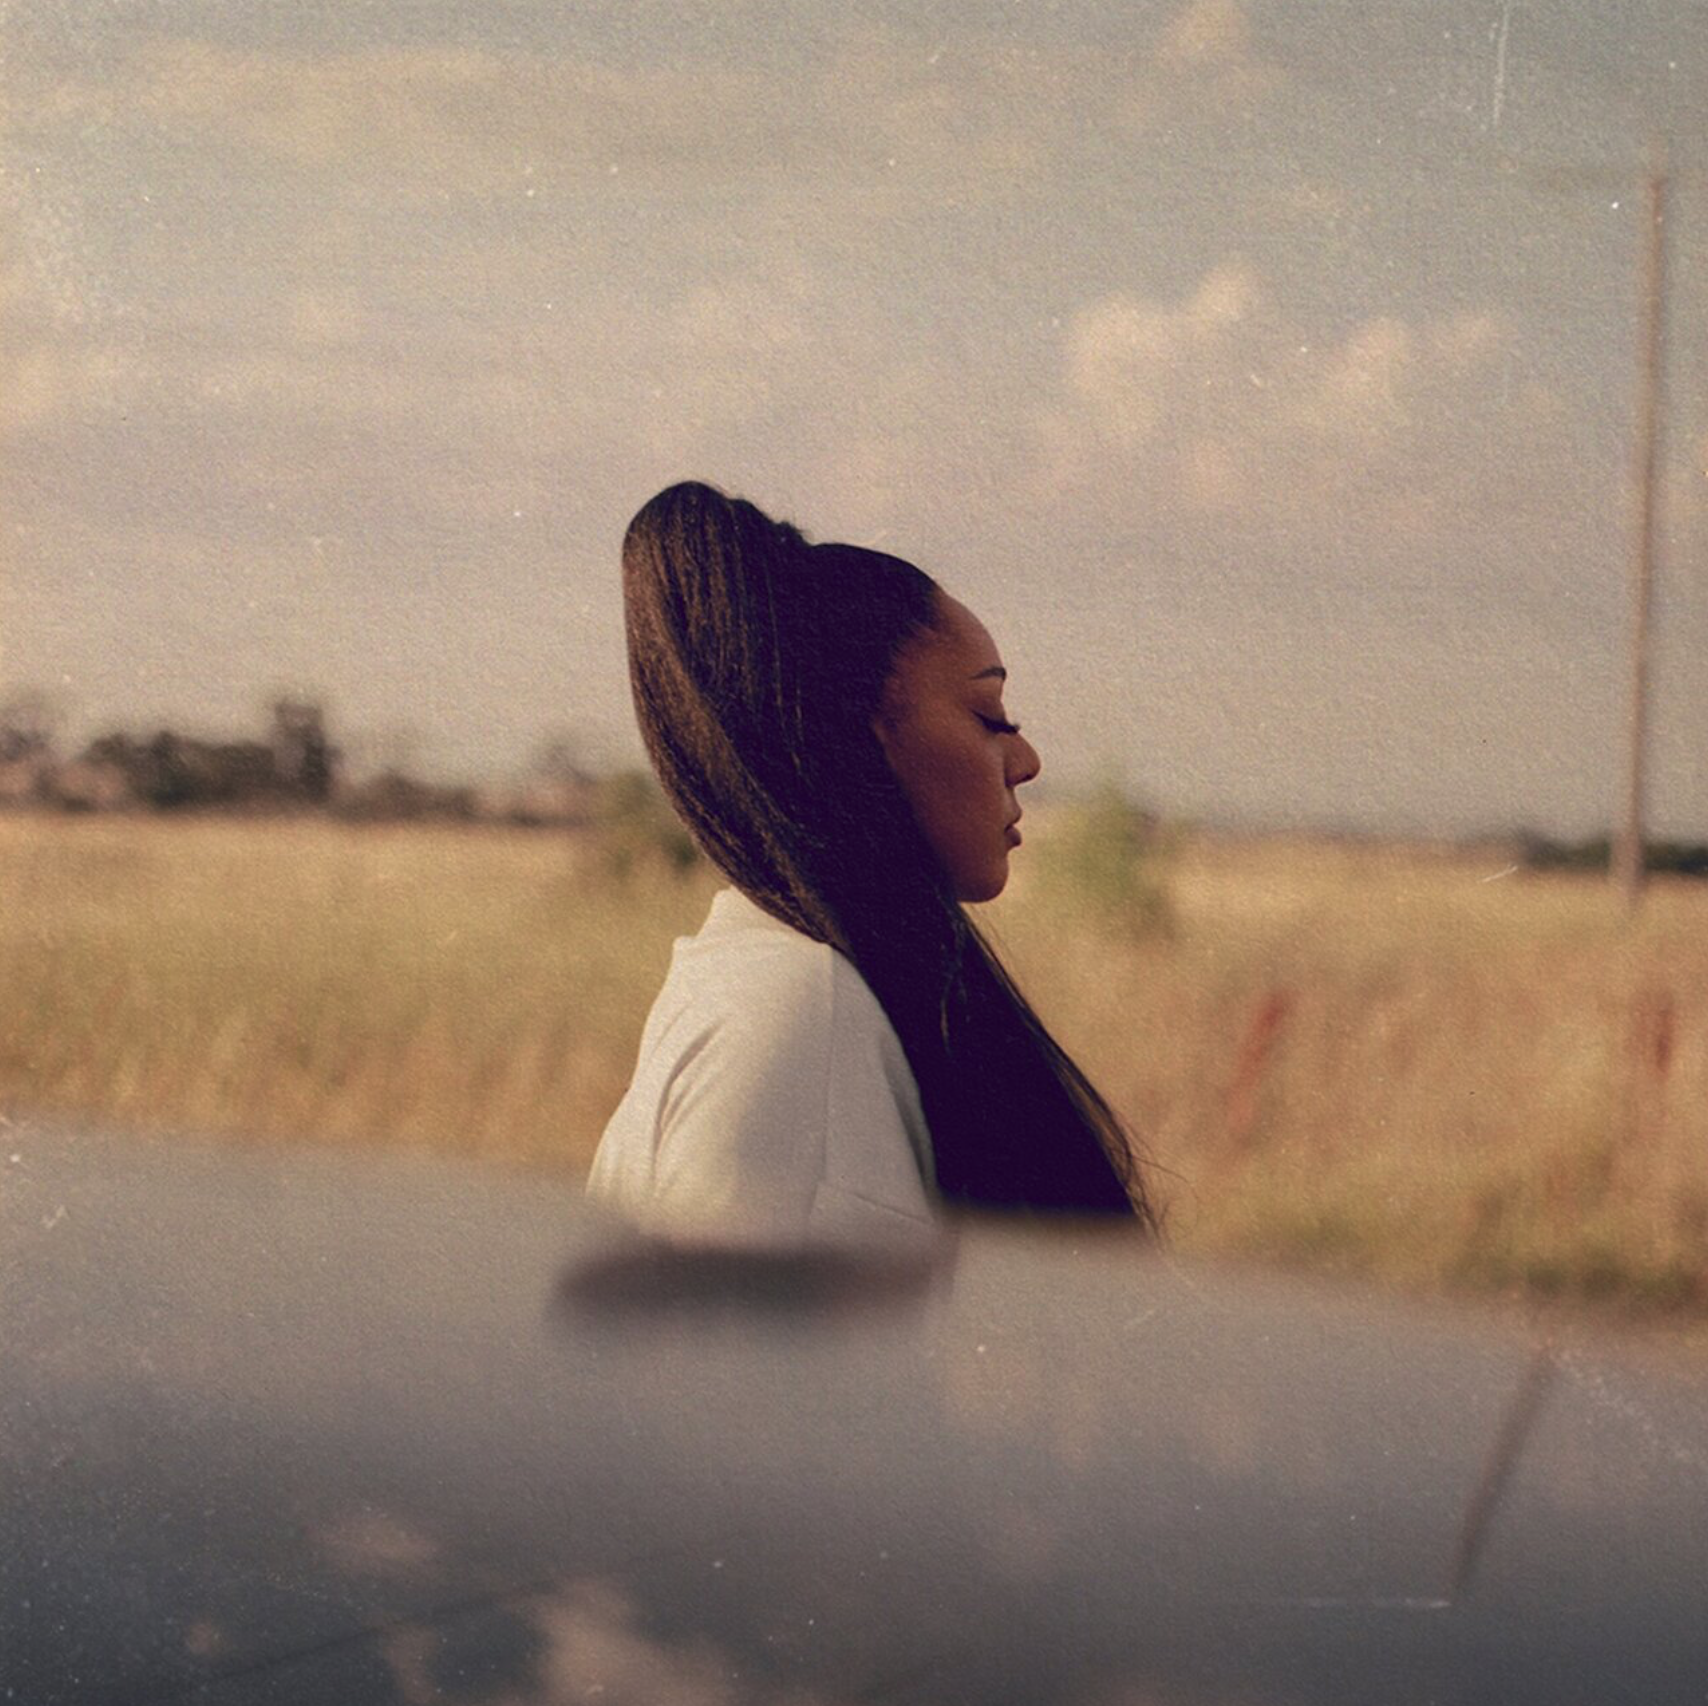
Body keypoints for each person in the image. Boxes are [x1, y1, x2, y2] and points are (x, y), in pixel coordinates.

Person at [586, 481, 1158, 1248]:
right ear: (861, 735)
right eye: (990, 717)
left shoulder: (784, 987)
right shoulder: (800, 1017)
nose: (1026, 758)